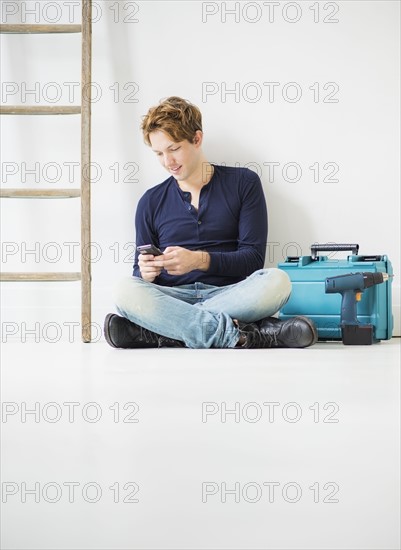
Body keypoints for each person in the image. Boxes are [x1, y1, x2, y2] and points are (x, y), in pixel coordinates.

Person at [104, 96, 317, 349]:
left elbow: (252, 259)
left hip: (230, 294)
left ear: (197, 139)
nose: (167, 162)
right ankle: (240, 334)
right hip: (174, 297)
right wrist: (146, 272)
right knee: (124, 290)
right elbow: (138, 275)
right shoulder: (150, 201)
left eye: (173, 149)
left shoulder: (244, 183)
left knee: (277, 282)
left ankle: (167, 332)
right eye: (159, 153)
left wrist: (198, 260)